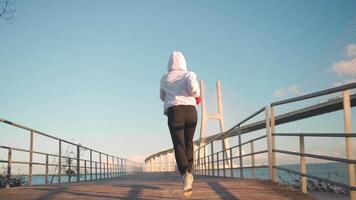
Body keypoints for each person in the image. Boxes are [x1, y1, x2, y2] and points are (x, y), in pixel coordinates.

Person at [159, 51, 201, 196]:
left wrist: (172, 93)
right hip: (191, 112)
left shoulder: (164, 78)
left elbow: (161, 96)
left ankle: (185, 174)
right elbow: (195, 89)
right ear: (183, 61)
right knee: (189, 142)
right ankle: (190, 170)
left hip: (174, 112)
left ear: (169, 64)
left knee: (179, 145)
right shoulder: (189, 74)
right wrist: (197, 97)